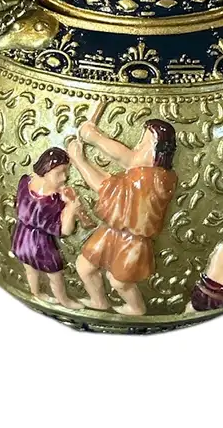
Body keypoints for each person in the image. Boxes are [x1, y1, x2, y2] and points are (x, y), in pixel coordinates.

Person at [67, 119, 178, 316]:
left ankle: (137, 308)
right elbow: (125, 158)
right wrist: (94, 138)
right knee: (84, 266)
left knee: (119, 281)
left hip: (133, 240)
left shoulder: (153, 180)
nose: (137, 147)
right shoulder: (141, 172)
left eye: (144, 144)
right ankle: (99, 301)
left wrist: (81, 159)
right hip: (111, 231)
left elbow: (104, 186)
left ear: (157, 153)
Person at [11, 147, 83, 310]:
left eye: (66, 171)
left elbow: (19, 206)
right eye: (59, 173)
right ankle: (63, 300)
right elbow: (65, 230)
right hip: (41, 244)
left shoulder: (25, 182)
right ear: (45, 170)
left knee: (30, 270)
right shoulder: (52, 201)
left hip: (21, 236)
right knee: (55, 275)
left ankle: (36, 292)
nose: (65, 177)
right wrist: (71, 208)